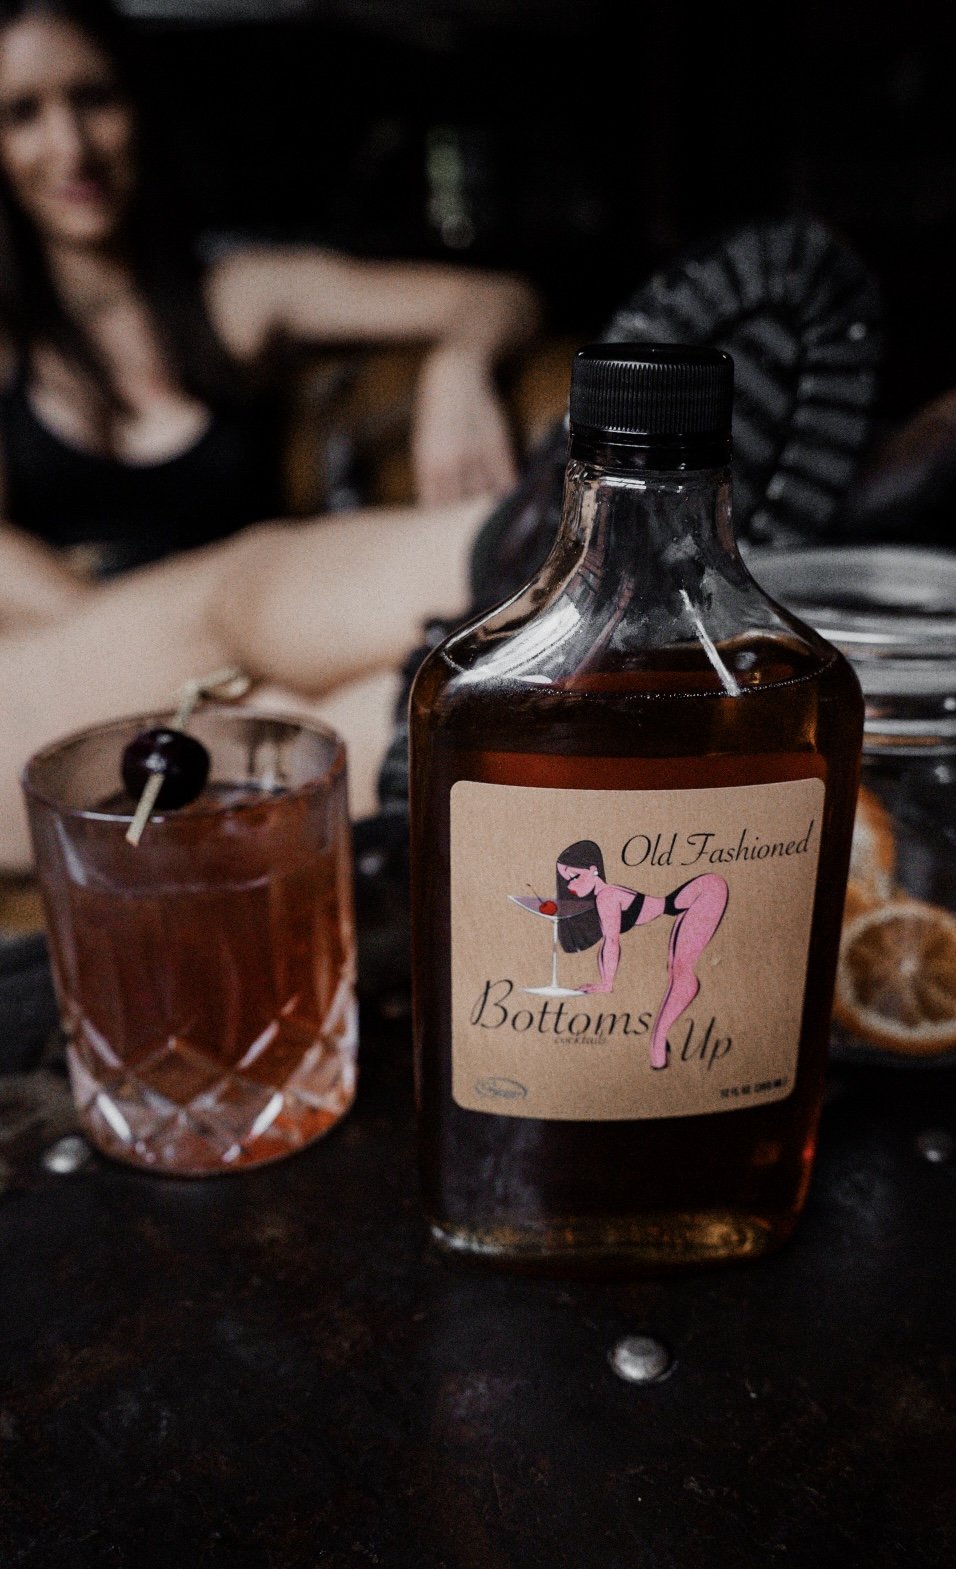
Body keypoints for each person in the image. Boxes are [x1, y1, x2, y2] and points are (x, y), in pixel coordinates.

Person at [0, 0, 541, 870]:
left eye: (93, 99)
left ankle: (588, 615)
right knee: (235, 599)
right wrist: (202, 662)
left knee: (362, 716)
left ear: (137, 110)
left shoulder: (236, 299)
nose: (71, 146)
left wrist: (459, 366)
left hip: (235, 703)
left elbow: (495, 296)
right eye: (22, 113)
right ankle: (567, 550)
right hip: (53, 700)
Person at [555, 839, 728, 1069]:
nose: (570, 885)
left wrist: (607, 983)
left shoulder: (607, 897)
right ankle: (659, 1047)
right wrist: (605, 982)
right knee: (679, 970)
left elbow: (612, 941)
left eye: (575, 876)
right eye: (566, 880)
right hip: (697, 894)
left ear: (593, 869)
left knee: (680, 971)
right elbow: (608, 940)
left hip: (707, 892)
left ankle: (658, 1050)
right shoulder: (604, 896)